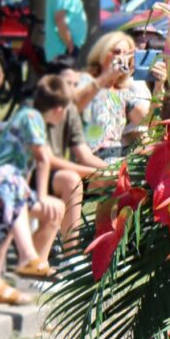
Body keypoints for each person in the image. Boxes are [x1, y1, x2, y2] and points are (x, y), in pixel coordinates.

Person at [0, 75, 86, 289]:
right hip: (4, 186)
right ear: (58, 110)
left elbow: (26, 165)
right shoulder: (33, 118)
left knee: (45, 212)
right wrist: (43, 196)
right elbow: (43, 159)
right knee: (53, 208)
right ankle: (34, 269)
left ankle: (32, 266)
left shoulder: (30, 116)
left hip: (10, 186)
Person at [48, 68, 108, 255]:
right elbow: (48, 160)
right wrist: (90, 172)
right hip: (33, 174)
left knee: (111, 181)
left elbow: (84, 154)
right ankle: (70, 254)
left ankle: (107, 247)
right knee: (71, 181)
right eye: (67, 84)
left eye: (75, 85)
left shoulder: (70, 113)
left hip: (56, 172)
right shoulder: (37, 111)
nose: (72, 90)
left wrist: (114, 170)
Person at [82, 33, 154, 160]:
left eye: (126, 54)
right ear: (101, 53)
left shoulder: (123, 93)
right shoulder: (84, 81)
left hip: (114, 157)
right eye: (117, 52)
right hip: (89, 158)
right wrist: (108, 75)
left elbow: (149, 121)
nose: (121, 58)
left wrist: (159, 86)